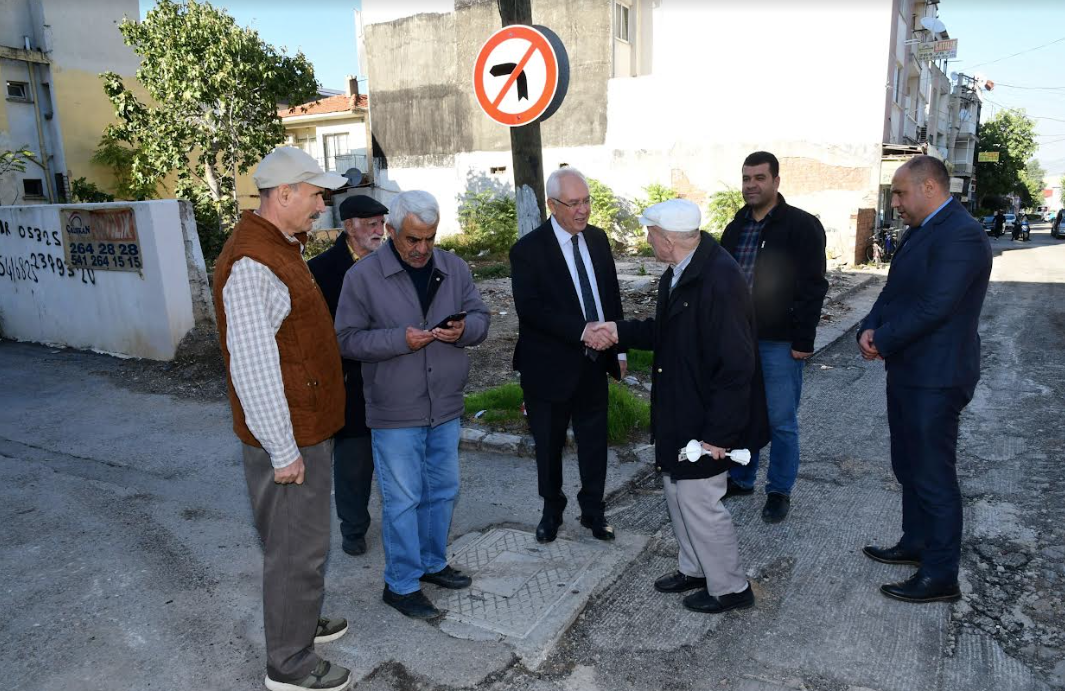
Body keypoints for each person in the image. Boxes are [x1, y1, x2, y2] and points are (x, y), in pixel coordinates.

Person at [213, 146, 352, 691]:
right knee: (296, 547)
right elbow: (253, 366)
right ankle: (289, 666)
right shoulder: (253, 262)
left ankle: (297, 620)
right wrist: (283, 450)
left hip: (304, 424)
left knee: (300, 541)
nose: (322, 205)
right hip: (289, 435)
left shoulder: (279, 246)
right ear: (285, 193)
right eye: (317, 194)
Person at [587, 199, 768, 613]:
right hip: (682, 408)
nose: (646, 239)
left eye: (649, 233)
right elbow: (668, 333)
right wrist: (619, 330)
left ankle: (731, 587)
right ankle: (696, 569)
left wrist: (718, 436)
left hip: (706, 417)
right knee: (677, 492)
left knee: (701, 501)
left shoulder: (719, 281)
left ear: (667, 239)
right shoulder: (683, 271)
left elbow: (736, 368)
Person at [335, 190, 490, 620]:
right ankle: (400, 584)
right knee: (402, 499)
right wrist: (398, 340)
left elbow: (481, 318)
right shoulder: (362, 277)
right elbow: (345, 340)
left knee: (442, 491)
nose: (422, 249)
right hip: (394, 409)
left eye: (430, 239)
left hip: (444, 405)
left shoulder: (454, 268)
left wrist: (464, 330)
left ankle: (432, 563)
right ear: (389, 232)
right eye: (412, 240)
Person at [858, 155, 991, 603]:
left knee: (933, 475)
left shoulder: (963, 235)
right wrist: (868, 328)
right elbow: (894, 292)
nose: (894, 202)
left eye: (899, 193)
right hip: (910, 370)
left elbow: (936, 306)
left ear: (930, 188)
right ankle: (916, 543)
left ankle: (940, 575)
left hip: (937, 376)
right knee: (909, 466)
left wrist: (884, 339)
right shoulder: (923, 231)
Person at [510, 167, 626, 544]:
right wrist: (582, 331)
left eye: (587, 200)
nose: (583, 210)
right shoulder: (527, 251)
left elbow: (611, 297)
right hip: (547, 368)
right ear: (552, 205)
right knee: (548, 444)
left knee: (595, 443)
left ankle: (594, 510)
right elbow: (531, 310)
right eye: (573, 203)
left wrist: (618, 347)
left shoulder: (598, 240)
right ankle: (551, 510)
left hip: (595, 364)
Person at [719, 151, 828, 524]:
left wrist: (804, 340)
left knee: (781, 420)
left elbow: (814, 287)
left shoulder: (801, 226)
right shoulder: (735, 227)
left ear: (776, 181)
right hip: (738, 340)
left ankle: (779, 490)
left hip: (780, 342)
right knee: (744, 414)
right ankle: (742, 477)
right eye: (746, 178)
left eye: (759, 178)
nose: (751, 185)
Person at [308, 194, 388, 557]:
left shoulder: (393, 261)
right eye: (371, 224)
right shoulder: (321, 270)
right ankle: (353, 529)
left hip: (392, 375)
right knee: (354, 462)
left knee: (397, 458)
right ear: (349, 226)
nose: (379, 230)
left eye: (382, 223)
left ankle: (403, 522)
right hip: (349, 381)